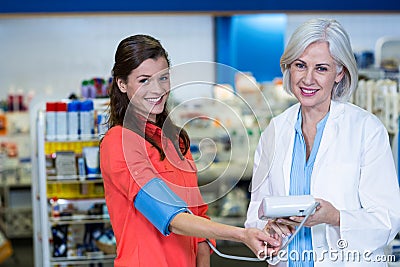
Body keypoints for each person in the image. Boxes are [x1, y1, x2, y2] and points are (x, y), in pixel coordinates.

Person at [100, 34, 280, 267]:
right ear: (122, 84)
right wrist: (242, 235)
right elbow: (169, 216)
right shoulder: (119, 143)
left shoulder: (175, 139)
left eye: (163, 78)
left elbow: (198, 218)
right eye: (144, 80)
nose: (157, 89)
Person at [245, 18, 400, 266]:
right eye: (300, 65)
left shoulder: (366, 130)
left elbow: (388, 220)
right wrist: (267, 229)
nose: (307, 79)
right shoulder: (274, 131)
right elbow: (257, 211)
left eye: (321, 68)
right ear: (289, 68)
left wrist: (335, 217)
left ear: (339, 73)